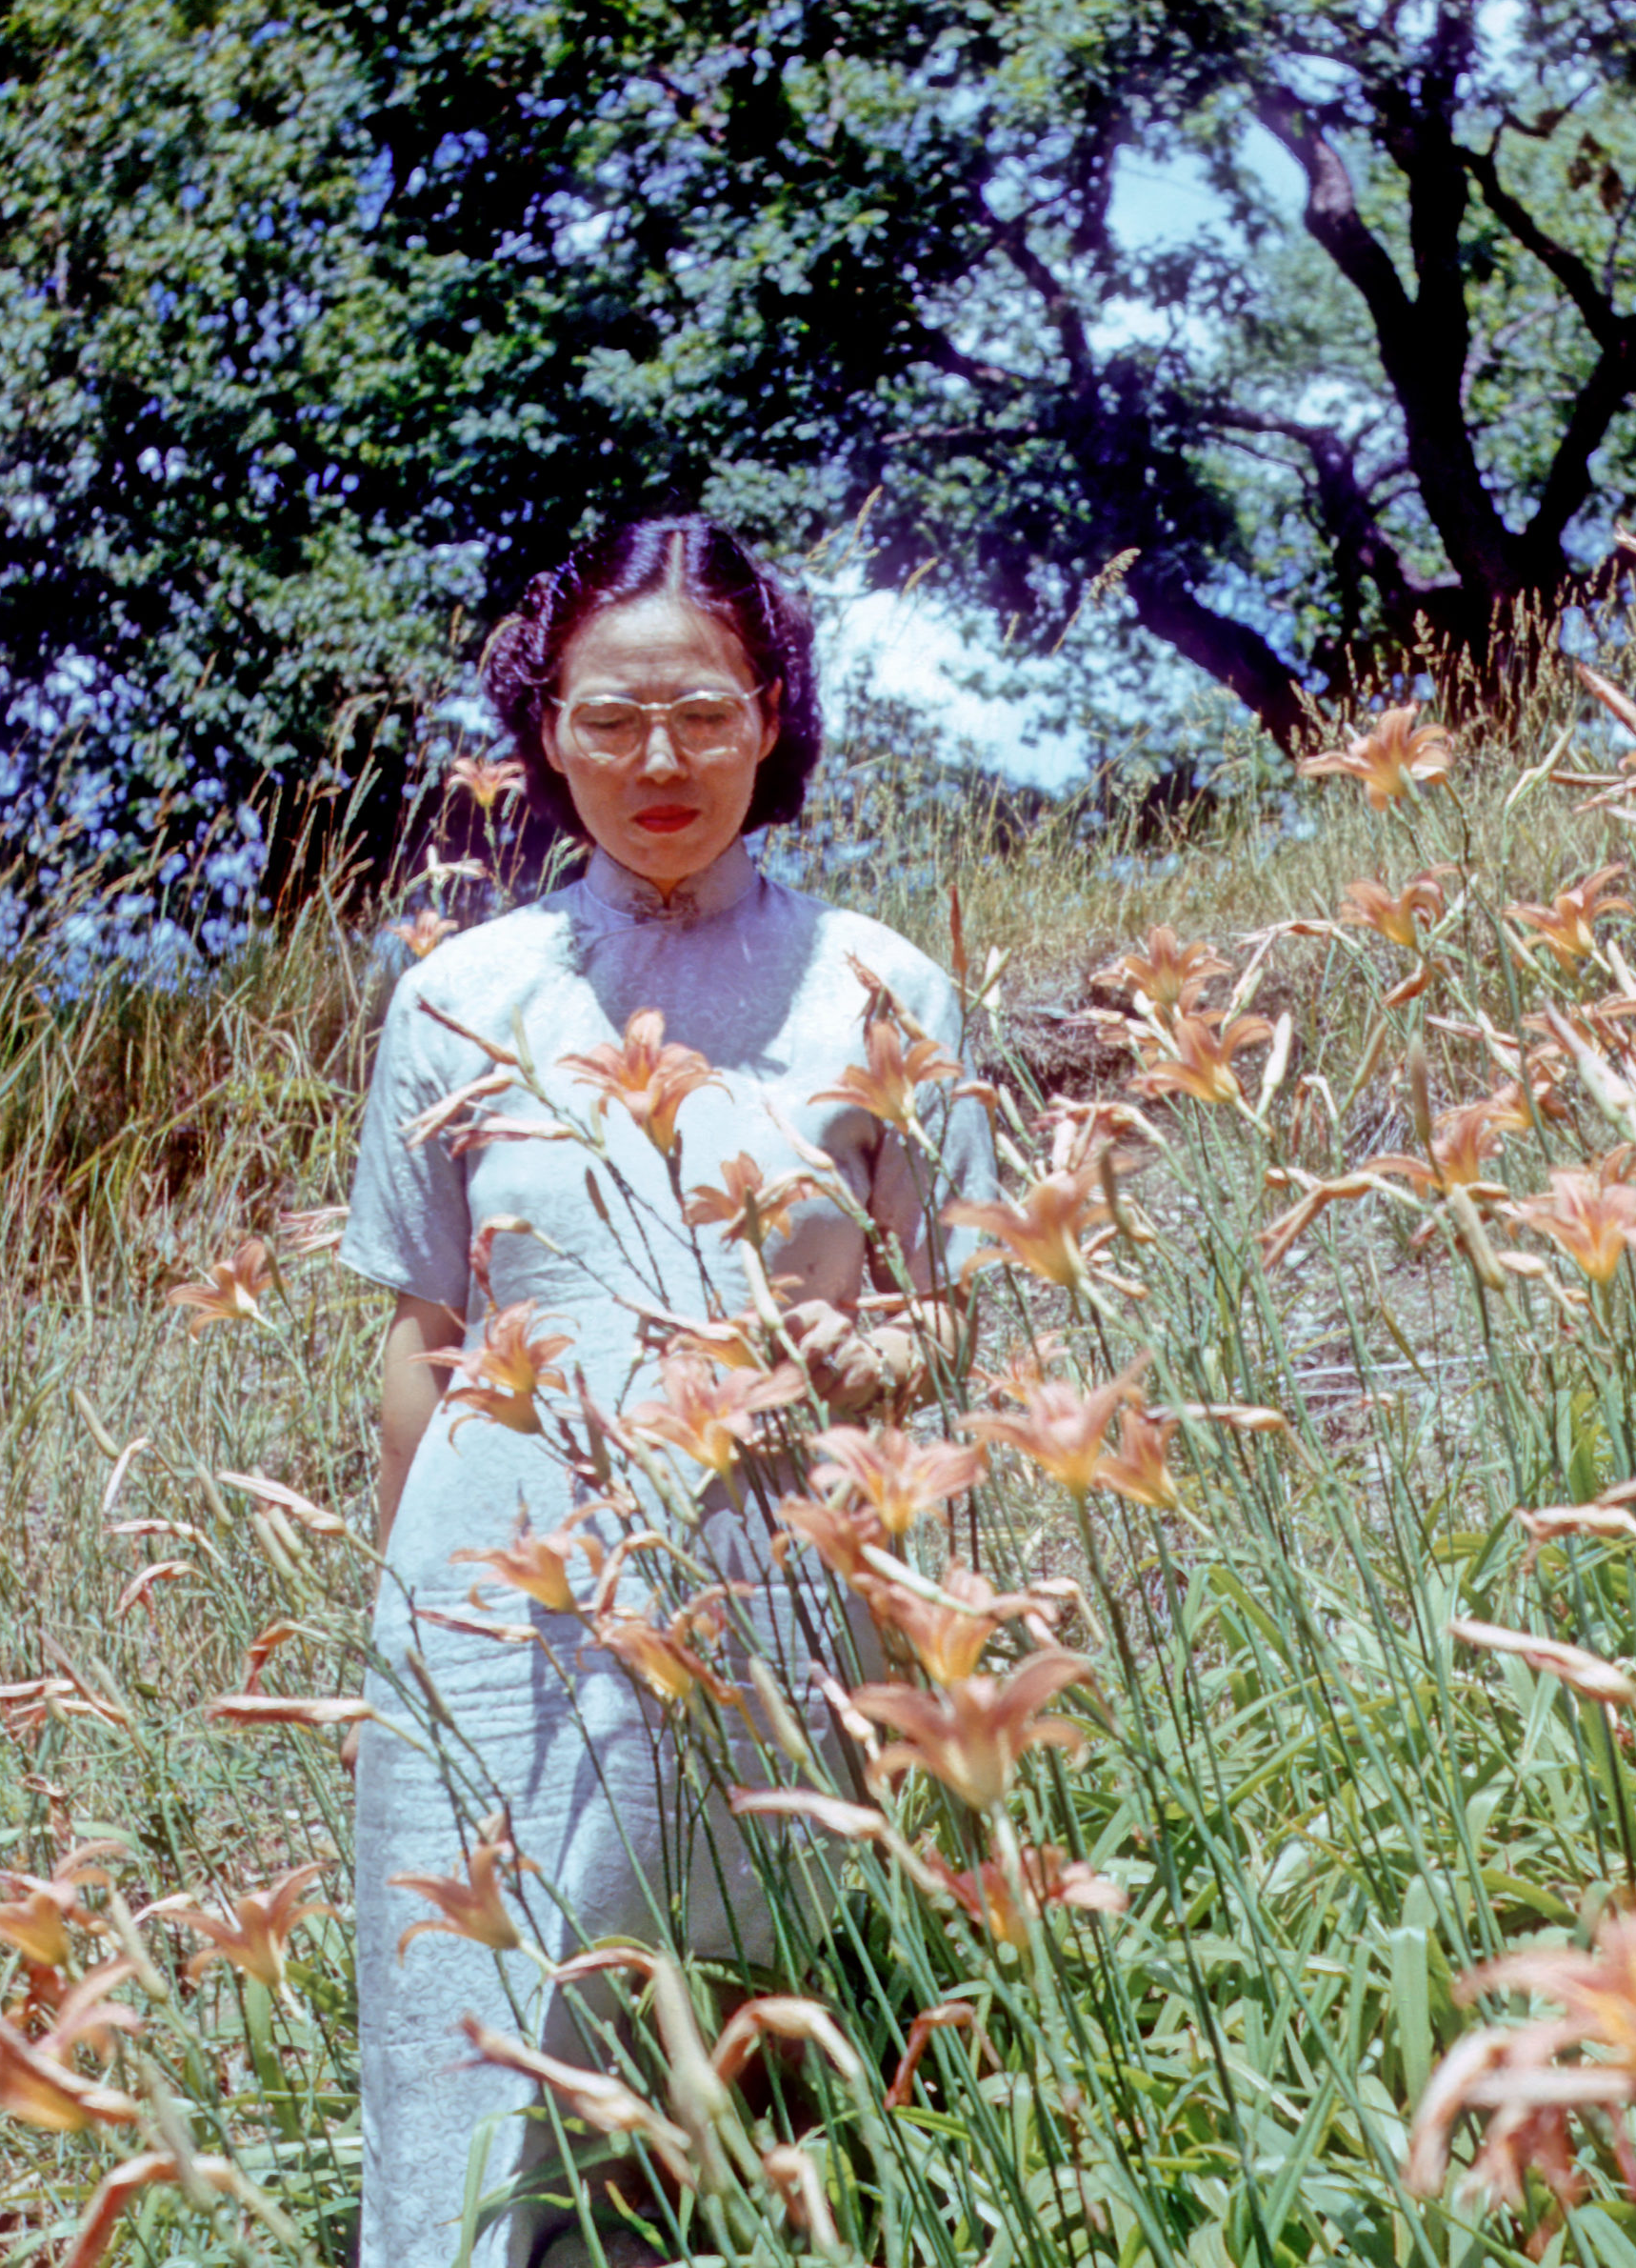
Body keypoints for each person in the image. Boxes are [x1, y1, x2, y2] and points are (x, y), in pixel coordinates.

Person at [338, 516, 995, 2267]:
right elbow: (418, 1338)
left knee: (756, 2067)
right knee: (485, 2053)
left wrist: (852, 1360)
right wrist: (423, 1623)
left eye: (703, 715)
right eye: (610, 720)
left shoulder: (880, 985)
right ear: (542, 729)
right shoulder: (460, 996)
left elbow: (949, 1317)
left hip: (777, 1585)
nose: (659, 764)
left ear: (773, 716)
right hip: (502, 1606)